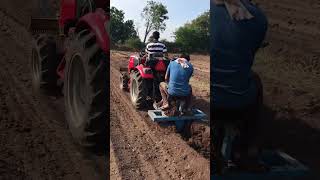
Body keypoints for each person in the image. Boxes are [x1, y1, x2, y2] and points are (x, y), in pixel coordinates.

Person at [211, 0, 268, 174]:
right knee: (255, 80)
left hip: (211, 103)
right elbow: (248, 54)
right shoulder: (258, 17)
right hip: (237, 103)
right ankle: (246, 152)